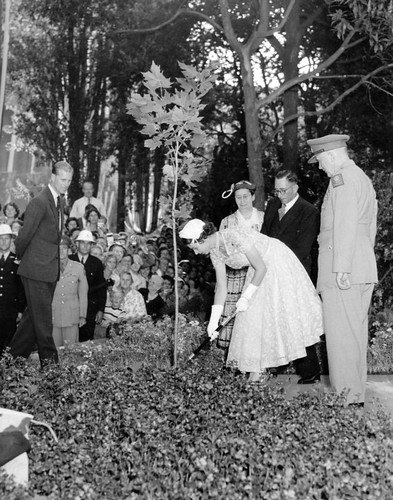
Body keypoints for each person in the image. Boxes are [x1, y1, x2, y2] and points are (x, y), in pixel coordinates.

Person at [179, 219, 323, 383]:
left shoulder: (233, 236)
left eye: (195, 248)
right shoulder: (215, 252)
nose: (196, 253)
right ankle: (257, 372)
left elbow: (261, 267)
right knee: (251, 319)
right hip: (257, 272)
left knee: (281, 313)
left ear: (199, 239)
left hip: (275, 261)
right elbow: (221, 287)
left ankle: (301, 371)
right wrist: (213, 322)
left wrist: (246, 296)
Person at [307, 134, 378, 405]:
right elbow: (368, 229)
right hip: (361, 264)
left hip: (342, 268)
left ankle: (346, 397)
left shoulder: (343, 179)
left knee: (341, 333)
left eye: (321, 160)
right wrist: (358, 261)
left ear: (333, 155)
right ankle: (354, 392)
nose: (320, 167)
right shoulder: (362, 178)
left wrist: (343, 267)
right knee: (355, 332)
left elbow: (346, 223)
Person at [9, 161, 73, 367]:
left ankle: (10, 364)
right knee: (44, 323)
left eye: (69, 180)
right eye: (63, 179)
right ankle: (52, 371)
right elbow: (24, 235)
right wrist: (20, 256)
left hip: (47, 271)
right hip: (35, 271)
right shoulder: (40, 201)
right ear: (52, 178)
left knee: (32, 321)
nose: (66, 184)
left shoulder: (58, 201)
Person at [261, 170, 321, 384]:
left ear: (295, 187)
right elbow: (263, 238)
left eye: (283, 190)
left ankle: (309, 370)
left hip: (294, 273)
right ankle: (276, 364)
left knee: (297, 321)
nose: (279, 195)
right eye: (276, 190)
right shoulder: (272, 206)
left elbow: (303, 248)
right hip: (270, 272)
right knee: (273, 319)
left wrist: (278, 264)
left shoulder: (309, 211)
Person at [218, 180, 264, 356]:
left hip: (259, 273)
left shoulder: (263, 218)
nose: (242, 201)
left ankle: (258, 362)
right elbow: (221, 251)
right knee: (232, 316)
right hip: (235, 274)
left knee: (256, 316)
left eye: (246, 196)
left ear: (253, 196)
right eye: (238, 197)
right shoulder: (227, 222)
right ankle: (233, 360)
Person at [69, 230, 107, 342]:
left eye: (88, 243)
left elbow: (101, 288)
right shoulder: (69, 260)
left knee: (86, 341)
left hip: (90, 309)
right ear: (77, 244)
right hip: (70, 307)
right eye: (82, 243)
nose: (85, 246)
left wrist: (100, 309)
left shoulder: (96, 263)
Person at [52, 235, 88, 347]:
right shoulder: (48, 267)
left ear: (69, 250)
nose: (61, 251)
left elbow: (82, 293)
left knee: (71, 349)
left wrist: (82, 315)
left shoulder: (78, 268)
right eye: (58, 248)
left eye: (64, 248)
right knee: (54, 349)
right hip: (53, 314)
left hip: (72, 314)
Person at [0, 224, 25, 355]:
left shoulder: (17, 261)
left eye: (7, 238)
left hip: (10, 310)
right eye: (1, 238)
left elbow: (21, 288)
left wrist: (20, 310)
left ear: (11, 241)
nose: (4, 241)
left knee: (8, 345)